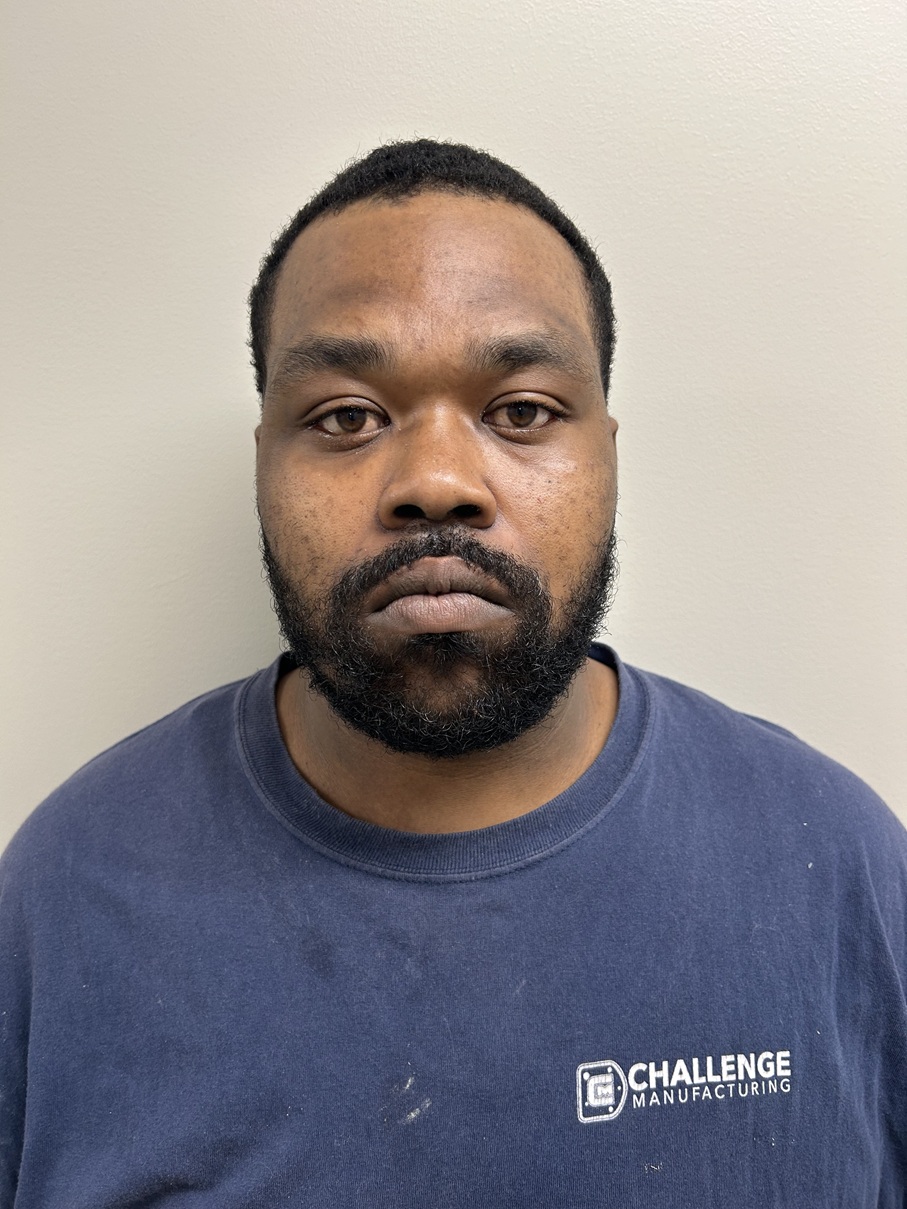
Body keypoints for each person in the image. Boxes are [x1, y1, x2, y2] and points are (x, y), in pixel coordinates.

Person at [1, 139, 905, 1208]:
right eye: (346, 417)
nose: (435, 482)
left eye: (521, 411)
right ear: (264, 459)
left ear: (608, 454)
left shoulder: (840, 866)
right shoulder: (65, 895)